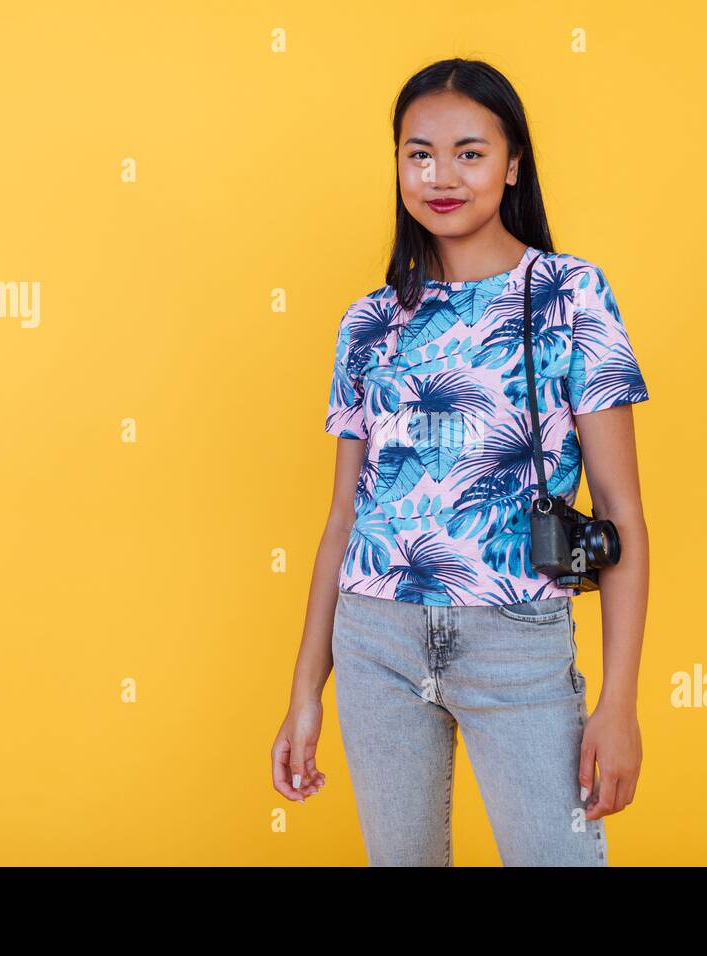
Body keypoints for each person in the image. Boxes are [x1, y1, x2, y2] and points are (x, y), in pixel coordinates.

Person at [271, 57, 651, 866]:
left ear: (513, 165)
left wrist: (619, 704)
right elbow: (344, 517)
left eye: (470, 153)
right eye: (419, 153)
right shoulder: (370, 320)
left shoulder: (569, 294)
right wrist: (306, 692)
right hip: (374, 639)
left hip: (516, 641)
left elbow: (621, 516)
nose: (442, 176)